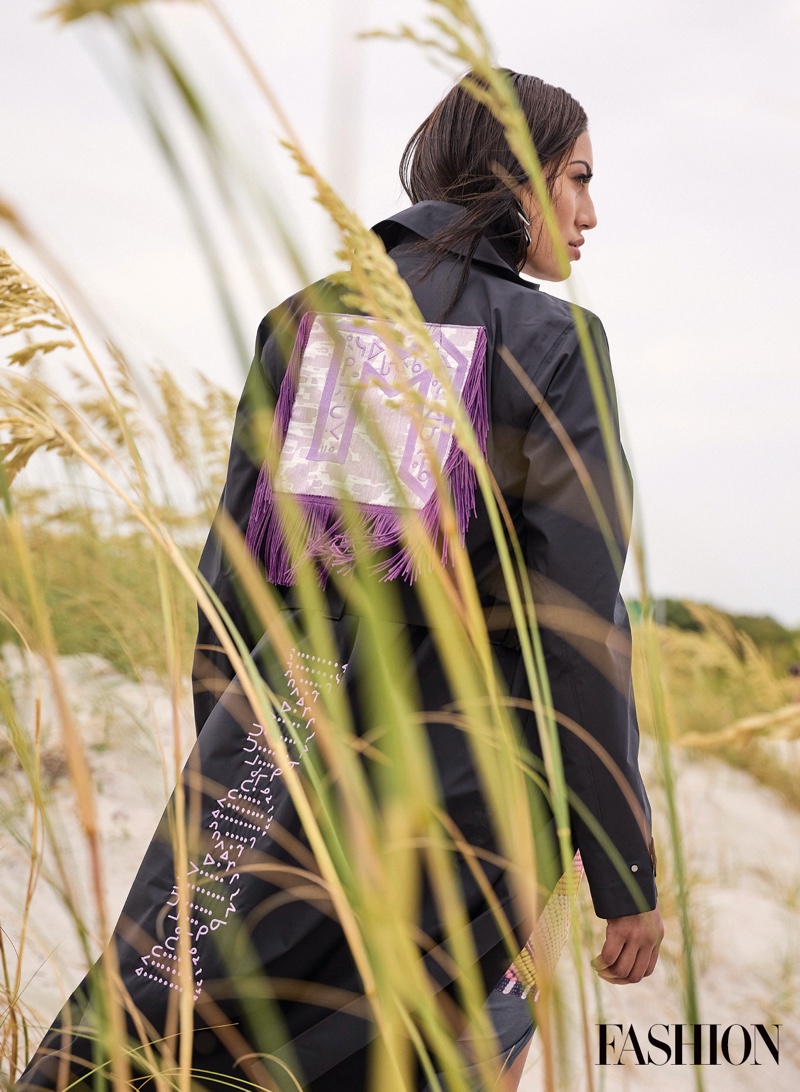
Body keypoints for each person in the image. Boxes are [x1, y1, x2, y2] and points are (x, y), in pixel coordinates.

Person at [19, 70, 663, 1091]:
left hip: (272, 777)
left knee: (171, 1040)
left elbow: (230, 595)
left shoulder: (304, 322)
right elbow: (577, 626)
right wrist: (622, 866)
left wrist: (229, 775)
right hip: (467, 812)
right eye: (577, 178)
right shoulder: (551, 344)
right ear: (515, 174)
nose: (589, 213)